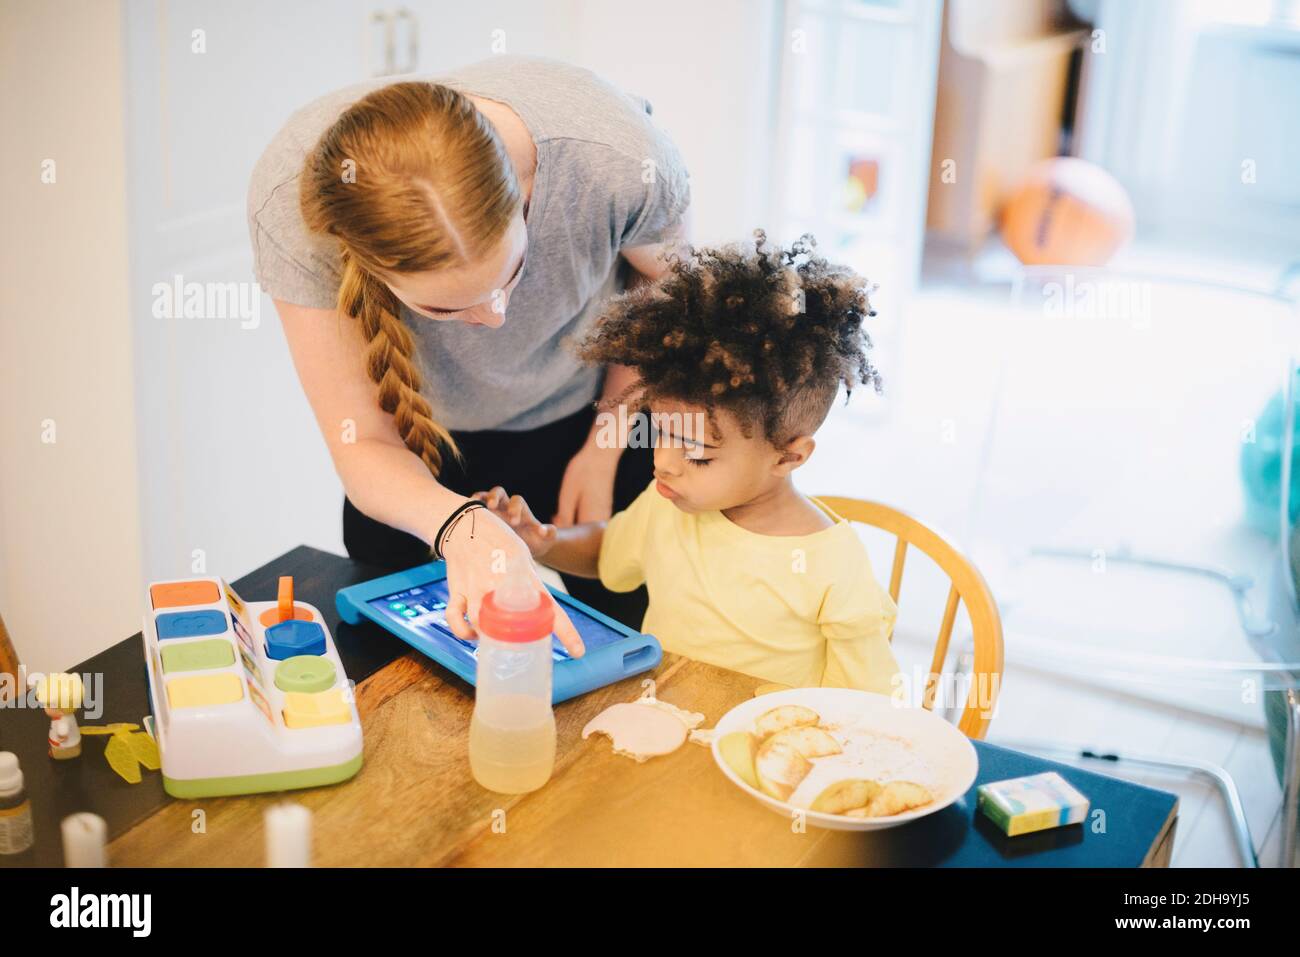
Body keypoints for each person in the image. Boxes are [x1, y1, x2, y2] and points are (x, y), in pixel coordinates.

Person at [247, 57, 691, 653]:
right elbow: (363, 443)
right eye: (447, 310)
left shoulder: (616, 158)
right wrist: (460, 526)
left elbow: (668, 303)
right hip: (413, 448)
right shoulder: (293, 208)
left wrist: (607, 438)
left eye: (512, 272)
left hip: (596, 408)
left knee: (636, 642)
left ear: (522, 196)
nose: (496, 318)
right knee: (406, 668)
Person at [476, 233, 901, 692]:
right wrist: (542, 542)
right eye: (660, 434)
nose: (664, 464)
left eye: (697, 454)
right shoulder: (670, 503)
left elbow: (866, 703)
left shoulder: (832, 564)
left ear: (788, 455)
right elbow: (609, 553)